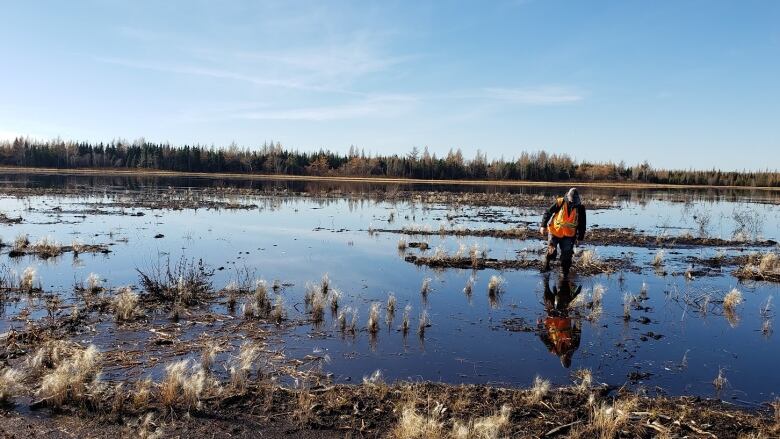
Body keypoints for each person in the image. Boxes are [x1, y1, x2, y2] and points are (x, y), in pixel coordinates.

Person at [539, 188, 586, 278]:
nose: (573, 204)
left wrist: (580, 238)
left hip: (569, 235)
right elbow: (548, 212)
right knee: (552, 252)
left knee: (567, 256)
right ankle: (547, 264)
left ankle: (564, 274)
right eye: (571, 201)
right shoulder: (560, 202)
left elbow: (582, 224)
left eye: (574, 202)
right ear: (568, 198)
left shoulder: (580, 208)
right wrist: (543, 226)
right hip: (554, 231)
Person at [538, 276, 582, 368]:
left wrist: (540, 326)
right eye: (568, 358)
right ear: (570, 358)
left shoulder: (553, 350)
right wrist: (578, 317)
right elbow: (577, 330)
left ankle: (546, 280)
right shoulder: (574, 346)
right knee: (564, 296)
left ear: (561, 359)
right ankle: (571, 287)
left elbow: (543, 338)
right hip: (563, 315)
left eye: (565, 358)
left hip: (551, 317)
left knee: (547, 295)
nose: (566, 356)